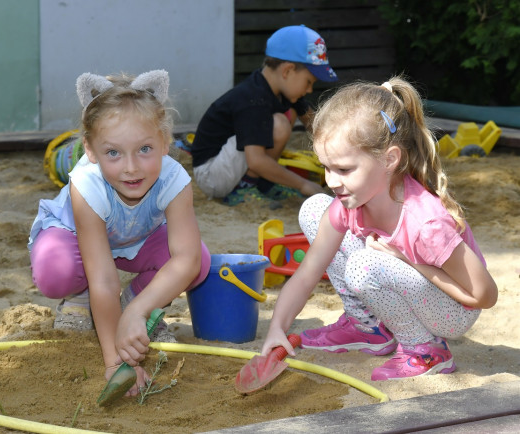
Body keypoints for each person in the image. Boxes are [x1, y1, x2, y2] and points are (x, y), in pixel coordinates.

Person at [260, 76, 498, 380]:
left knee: (364, 266)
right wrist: (277, 329)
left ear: (389, 159)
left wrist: (405, 258)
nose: (332, 181)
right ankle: (368, 327)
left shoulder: (425, 224)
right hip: (407, 278)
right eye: (326, 167)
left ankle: (425, 350)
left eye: (344, 169)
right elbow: (307, 273)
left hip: (453, 309)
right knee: (315, 208)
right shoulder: (350, 202)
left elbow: (484, 296)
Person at [28, 70, 211, 396]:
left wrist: (136, 312)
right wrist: (115, 361)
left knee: (199, 262)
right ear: (91, 150)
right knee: (55, 269)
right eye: (113, 152)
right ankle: (79, 301)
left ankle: (136, 303)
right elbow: (104, 278)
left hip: (136, 240)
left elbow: (186, 258)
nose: (131, 167)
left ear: (166, 143)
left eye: (144, 149)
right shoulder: (86, 184)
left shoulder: (174, 179)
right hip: (78, 243)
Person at [190, 25, 337, 207]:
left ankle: (261, 183)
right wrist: (304, 184)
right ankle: (246, 187)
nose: (309, 90)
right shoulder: (253, 98)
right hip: (211, 174)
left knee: (289, 113)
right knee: (279, 123)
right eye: (308, 82)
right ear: (287, 71)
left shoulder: (279, 90)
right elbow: (256, 160)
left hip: (228, 164)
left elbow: (313, 123)